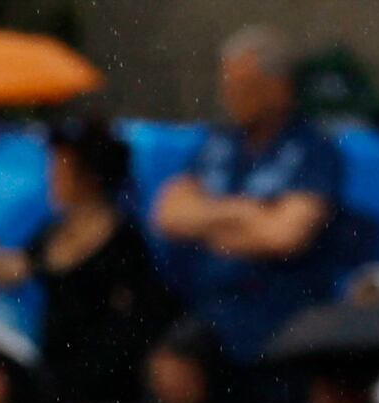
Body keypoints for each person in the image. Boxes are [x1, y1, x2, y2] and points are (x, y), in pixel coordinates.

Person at [0, 123, 187, 403]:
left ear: (88, 176)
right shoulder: (53, 232)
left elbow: (136, 329)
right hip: (54, 378)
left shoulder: (126, 244)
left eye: (60, 168)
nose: (52, 176)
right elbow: (7, 269)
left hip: (105, 393)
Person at [150, 26, 364, 365]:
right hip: (204, 311)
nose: (229, 95)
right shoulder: (218, 144)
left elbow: (286, 236)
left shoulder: (312, 150)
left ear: (279, 89)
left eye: (243, 86)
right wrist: (247, 213)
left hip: (276, 317)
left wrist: (208, 223)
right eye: (227, 85)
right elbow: (169, 215)